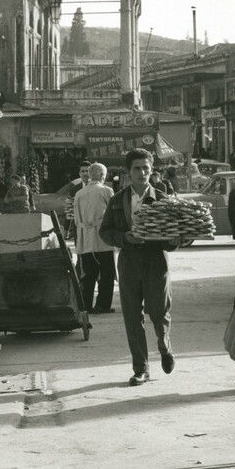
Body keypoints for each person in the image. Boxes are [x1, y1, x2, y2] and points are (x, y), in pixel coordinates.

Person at [100, 148, 180, 386]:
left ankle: (164, 345)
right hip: (129, 264)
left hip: (156, 262)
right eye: (137, 168)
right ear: (128, 172)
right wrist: (125, 238)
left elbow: (175, 235)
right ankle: (141, 368)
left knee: (159, 312)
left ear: (151, 170)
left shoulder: (164, 200)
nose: (143, 172)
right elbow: (105, 232)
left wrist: (175, 241)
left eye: (146, 168)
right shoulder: (117, 200)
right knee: (132, 318)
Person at [73, 163, 116, 314]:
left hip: (85, 239)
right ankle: (103, 305)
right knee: (107, 273)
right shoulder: (106, 190)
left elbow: (76, 219)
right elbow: (113, 214)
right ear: (103, 176)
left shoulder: (79, 193)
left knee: (88, 275)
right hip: (103, 239)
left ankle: (86, 306)